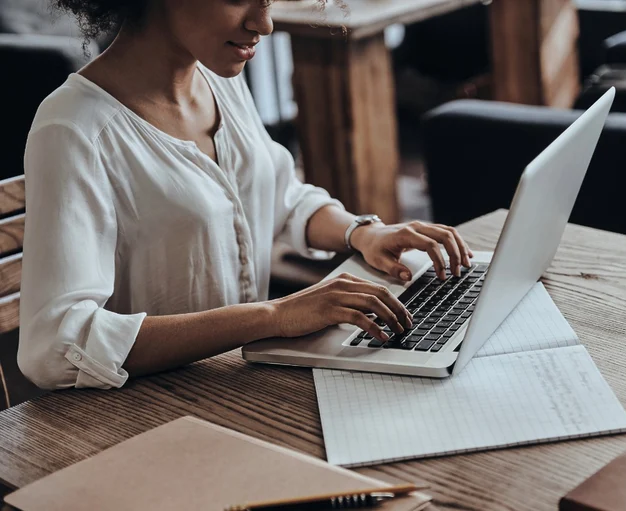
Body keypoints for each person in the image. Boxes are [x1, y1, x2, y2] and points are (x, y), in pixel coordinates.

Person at [17, 0, 473, 390]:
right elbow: (56, 344)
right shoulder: (74, 129)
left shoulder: (221, 79)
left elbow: (278, 195)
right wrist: (275, 316)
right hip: (152, 409)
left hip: (238, 379)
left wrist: (362, 233)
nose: (265, 23)